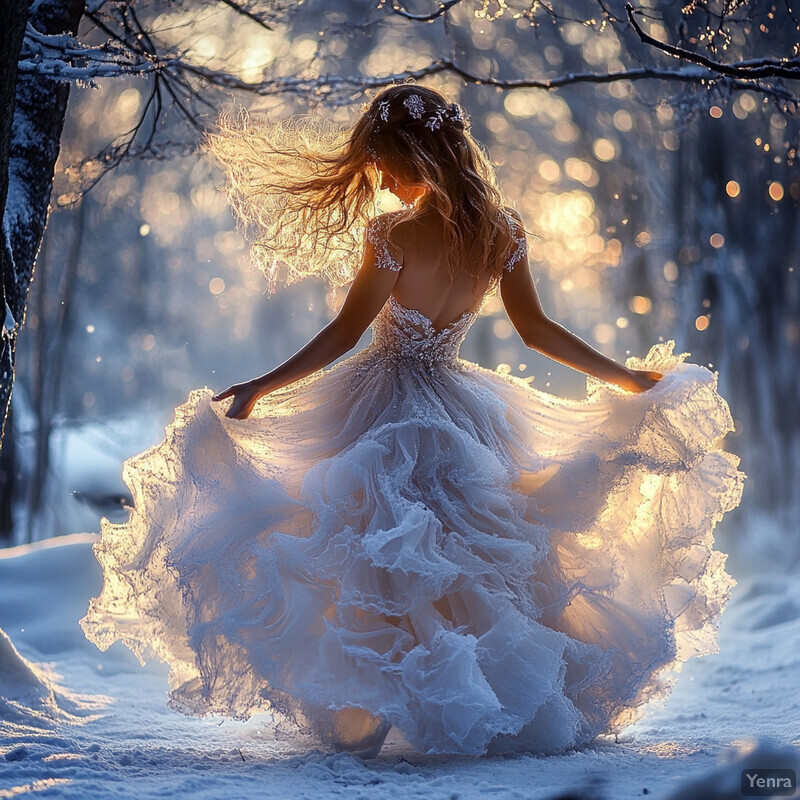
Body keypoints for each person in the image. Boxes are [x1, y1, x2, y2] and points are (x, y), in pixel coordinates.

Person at [81, 84, 745, 759]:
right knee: (457, 557)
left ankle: (388, 706)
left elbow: (345, 333)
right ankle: (471, 694)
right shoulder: (502, 229)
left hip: (385, 403)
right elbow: (537, 331)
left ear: (415, 155)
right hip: (464, 409)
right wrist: (626, 379)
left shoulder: (394, 235)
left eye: (385, 167)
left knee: (374, 552)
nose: (383, 184)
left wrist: (263, 385)